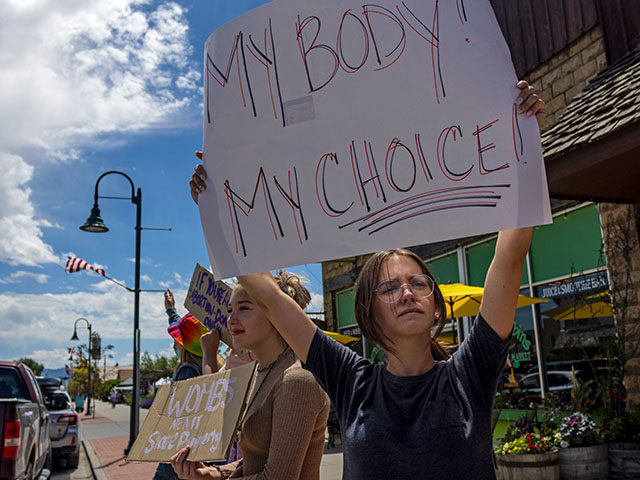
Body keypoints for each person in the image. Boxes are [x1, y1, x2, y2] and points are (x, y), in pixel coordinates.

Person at [187, 81, 546, 478]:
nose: (407, 292)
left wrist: (524, 143)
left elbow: (511, 257)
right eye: (390, 288)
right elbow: (269, 297)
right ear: (368, 312)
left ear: (435, 304)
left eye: (418, 283)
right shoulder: (350, 380)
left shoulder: (471, 370)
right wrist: (221, 200)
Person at [170, 271, 330, 480]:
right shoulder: (259, 371)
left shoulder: (296, 380)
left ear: (276, 312)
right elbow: (259, 457)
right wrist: (215, 472)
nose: (231, 319)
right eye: (230, 310)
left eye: (243, 308)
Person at [153, 289, 206, 480]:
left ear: (183, 346)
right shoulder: (209, 365)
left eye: (177, 341)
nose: (174, 345)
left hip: (178, 452)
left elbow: (176, 415)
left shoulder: (187, 371)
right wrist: (171, 310)